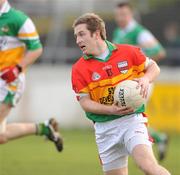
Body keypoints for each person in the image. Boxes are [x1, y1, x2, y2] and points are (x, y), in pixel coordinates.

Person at [71, 13, 171, 175]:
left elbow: (154, 68)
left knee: (147, 166)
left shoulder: (128, 52)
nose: (78, 40)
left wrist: (145, 79)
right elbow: (85, 103)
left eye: (82, 34)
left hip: (132, 120)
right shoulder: (79, 69)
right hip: (105, 130)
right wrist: (111, 109)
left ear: (96, 33)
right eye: (76, 36)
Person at [0, 0, 63, 152]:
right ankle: (44, 128)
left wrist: (17, 69)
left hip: (9, 82)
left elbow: (36, 48)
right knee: (1, 136)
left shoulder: (18, 19)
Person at [112, 2, 168, 161]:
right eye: (117, 15)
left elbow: (159, 52)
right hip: (126, 84)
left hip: (141, 83)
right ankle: (158, 139)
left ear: (131, 15)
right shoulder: (118, 31)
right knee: (130, 120)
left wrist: (139, 53)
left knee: (132, 120)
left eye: (123, 14)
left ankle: (146, 158)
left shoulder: (139, 32)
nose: (120, 18)